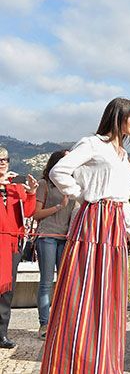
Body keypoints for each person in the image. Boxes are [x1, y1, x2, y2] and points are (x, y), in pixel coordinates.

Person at [40, 97, 130, 373]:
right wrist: (85, 196)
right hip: (93, 221)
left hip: (115, 225)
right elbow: (58, 170)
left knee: (109, 292)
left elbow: (124, 199)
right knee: (84, 288)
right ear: (117, 116)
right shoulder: (92, 144)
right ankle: (75, 361)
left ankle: (102, 360)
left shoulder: (124, 156)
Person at [32, 150, 76, 340]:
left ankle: (61, 322)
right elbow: (36, 214)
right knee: (46, 282)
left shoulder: (72, 186)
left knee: (64, 282)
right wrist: (59, 206)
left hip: (65, 238)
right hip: (47, 236)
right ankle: (44, 324)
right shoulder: (44, 184)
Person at [0, 147, 38, 349]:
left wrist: (31, 191)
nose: (2, 163)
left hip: (13, 243)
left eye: (5, 159)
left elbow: (30, 211)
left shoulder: (16, 186)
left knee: (7, 289)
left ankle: (1, 333)